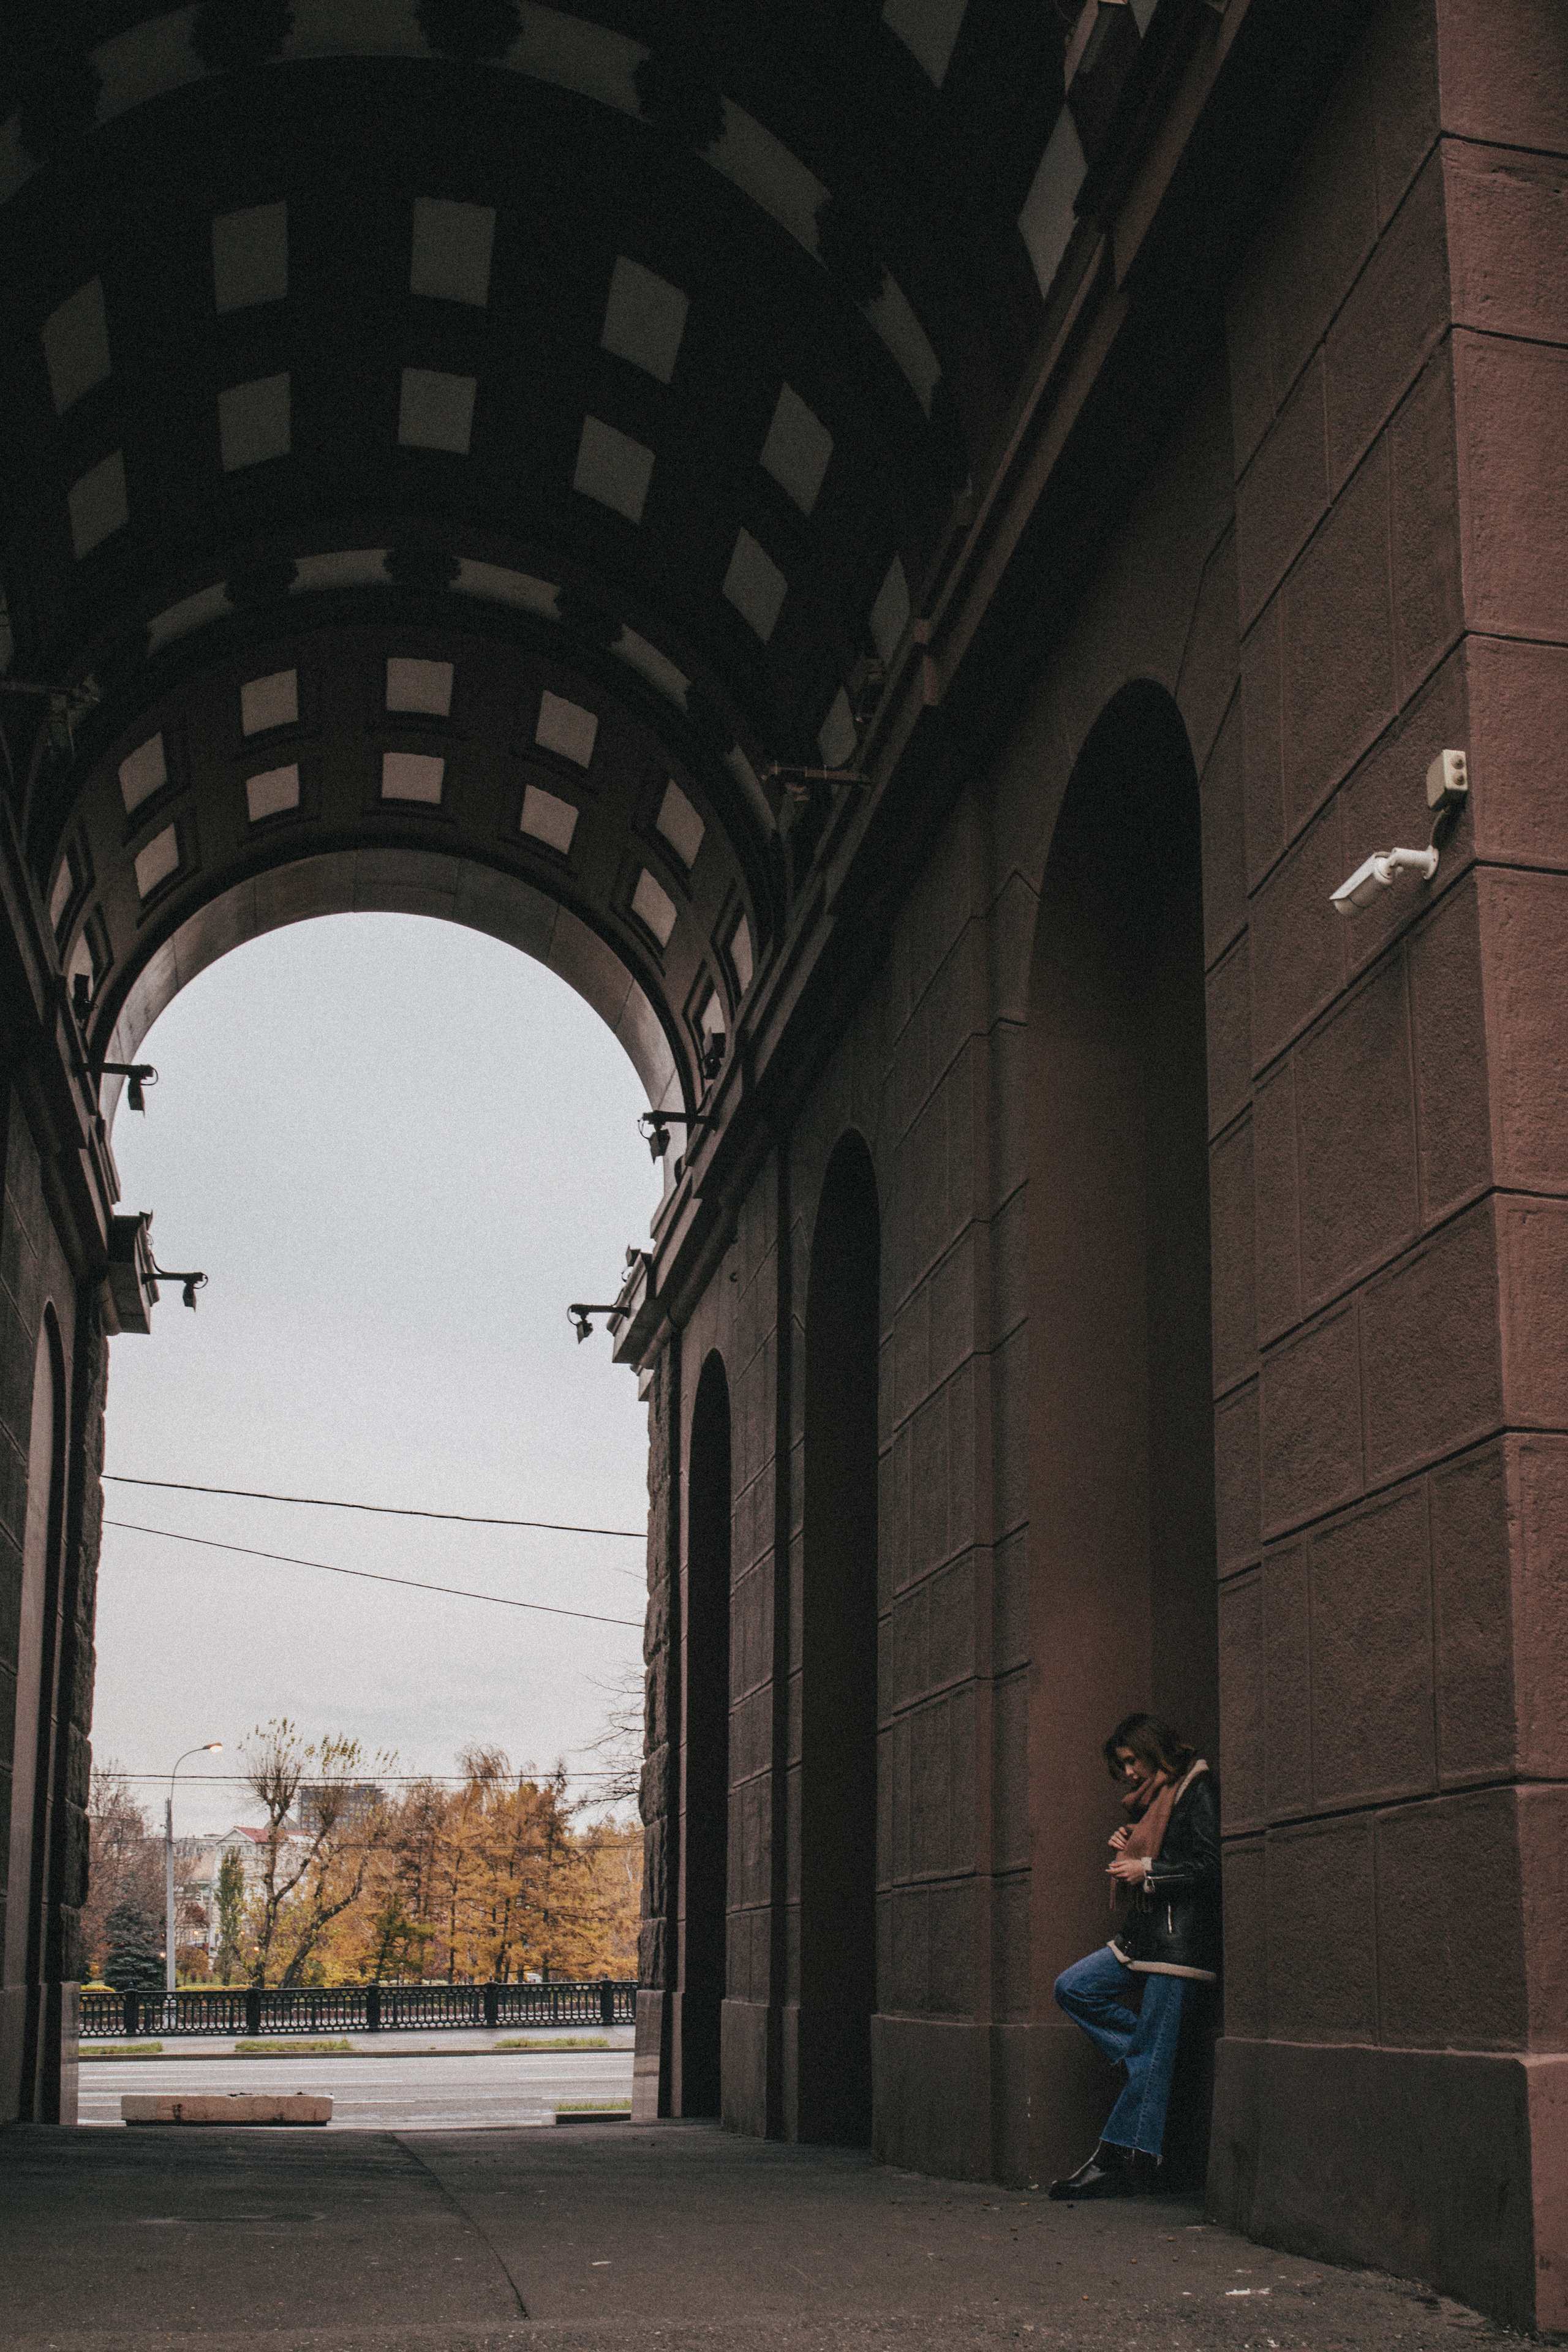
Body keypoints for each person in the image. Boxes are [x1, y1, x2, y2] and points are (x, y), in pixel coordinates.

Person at [1047, 1712, 1219, 2199]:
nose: (1127, 1774)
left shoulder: (1197, 1787)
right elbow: (1164, 1846)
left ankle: (1113, 2162)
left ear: (1151, 1750)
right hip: (1141, 1939)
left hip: (1177, 1947)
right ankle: (1151, 2060)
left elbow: (1211, 1865)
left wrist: (1146, 1868)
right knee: (1072, 1987)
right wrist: (1132, 1838)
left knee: (1149, 2052)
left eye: (1129, 1761)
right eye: (1121, 1766)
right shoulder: (1153, 1803)